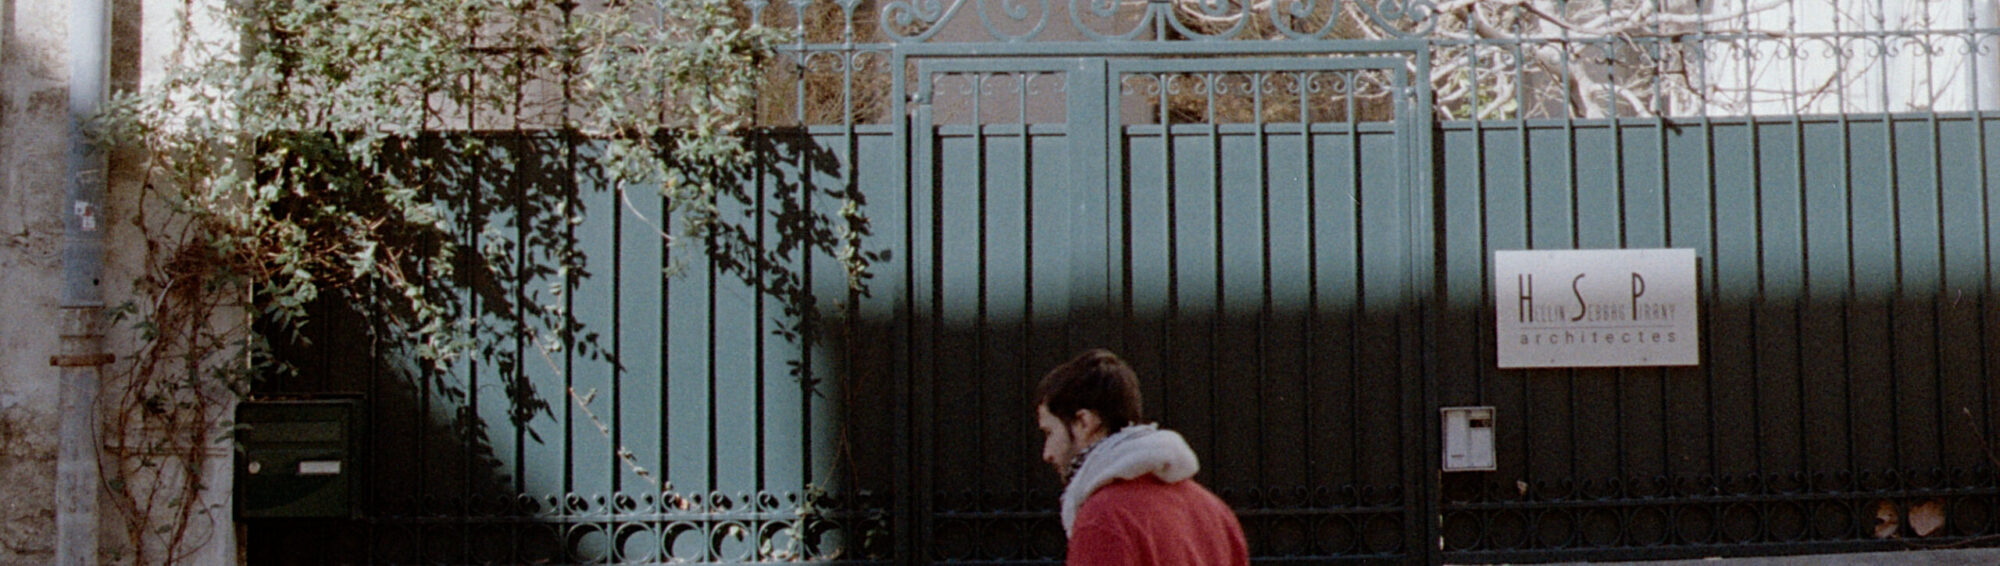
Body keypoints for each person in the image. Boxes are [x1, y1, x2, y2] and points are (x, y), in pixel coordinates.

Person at [1034, 349, 1249, 565]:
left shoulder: (1104, 518)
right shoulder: (1216, 513)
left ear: (1084, 422)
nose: (1047, 454)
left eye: (1049, 433)